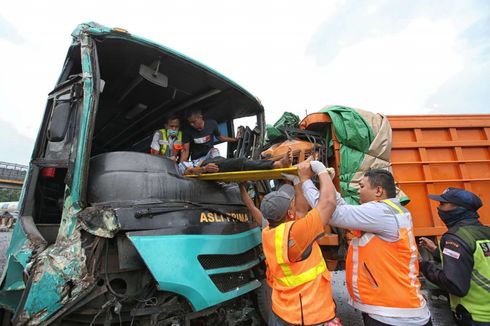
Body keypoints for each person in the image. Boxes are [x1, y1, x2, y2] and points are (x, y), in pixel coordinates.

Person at [303, 168, 432, 326]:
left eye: (362, 186)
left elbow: (329, 212)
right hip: (397, 310)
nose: (358, 191)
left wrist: (305, 180)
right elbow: (345, 209)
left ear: (378, 191)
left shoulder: (381, 212)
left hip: (393, 317)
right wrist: (328, 184)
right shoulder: (391, 210)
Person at [259, 160, 341, 326]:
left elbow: (302, 211)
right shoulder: (297, 233)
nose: (295, 205)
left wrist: (296, 182)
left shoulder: (269, 231)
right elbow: (329, 203)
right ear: (290, 213)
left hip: (281, 311)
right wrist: (321, 171)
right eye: (292, 204)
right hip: (308, 315)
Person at [418, 188, 490, 326]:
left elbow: (455, 284)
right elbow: (474, 260)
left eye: (443, 204)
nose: (438, 208)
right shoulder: (484, 232)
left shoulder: (455, 238)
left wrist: (424, 265)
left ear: (458, 208)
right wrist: (435, 251)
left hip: (475, 316)